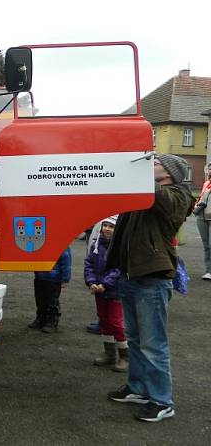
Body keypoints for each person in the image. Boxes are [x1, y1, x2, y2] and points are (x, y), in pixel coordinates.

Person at [105, 154, 193, 422]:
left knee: (154, 344)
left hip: (153, 277)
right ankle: (139, 388)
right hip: (133, 276)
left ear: (168, 173)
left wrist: (137, 172)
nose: (148, 167)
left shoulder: (179, 196)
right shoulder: (143, 194)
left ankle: (162, 400)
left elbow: (164, 203)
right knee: (135, 339)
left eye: (154, 164)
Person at [84, 215, 127, 372]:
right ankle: (109, 353)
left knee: (116, 322)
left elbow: (118, 269)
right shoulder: (97, 244)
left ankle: (125, 355)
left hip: (114, 291)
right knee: (104, 320)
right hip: (99, 290)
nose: (107, 229)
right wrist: (92, 282)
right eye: (105, 226)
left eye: (111, 226)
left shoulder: (120, 246)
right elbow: (89, 264)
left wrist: (105, 284)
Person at [29, 247, 71, 333]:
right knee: (40, 300)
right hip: (40, 276)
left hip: (53, 279)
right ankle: (41, 319)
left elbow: (66, 262)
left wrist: (65, 279)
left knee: (52, 302)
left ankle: (52, 322)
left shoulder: (61, 245)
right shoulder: (40, 242)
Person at [193, 165, 211, 280]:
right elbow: (201, 198)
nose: (210, 170)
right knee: (206, 246)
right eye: (210, 168)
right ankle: (208, 270)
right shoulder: (206, 183)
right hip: (201, 217)